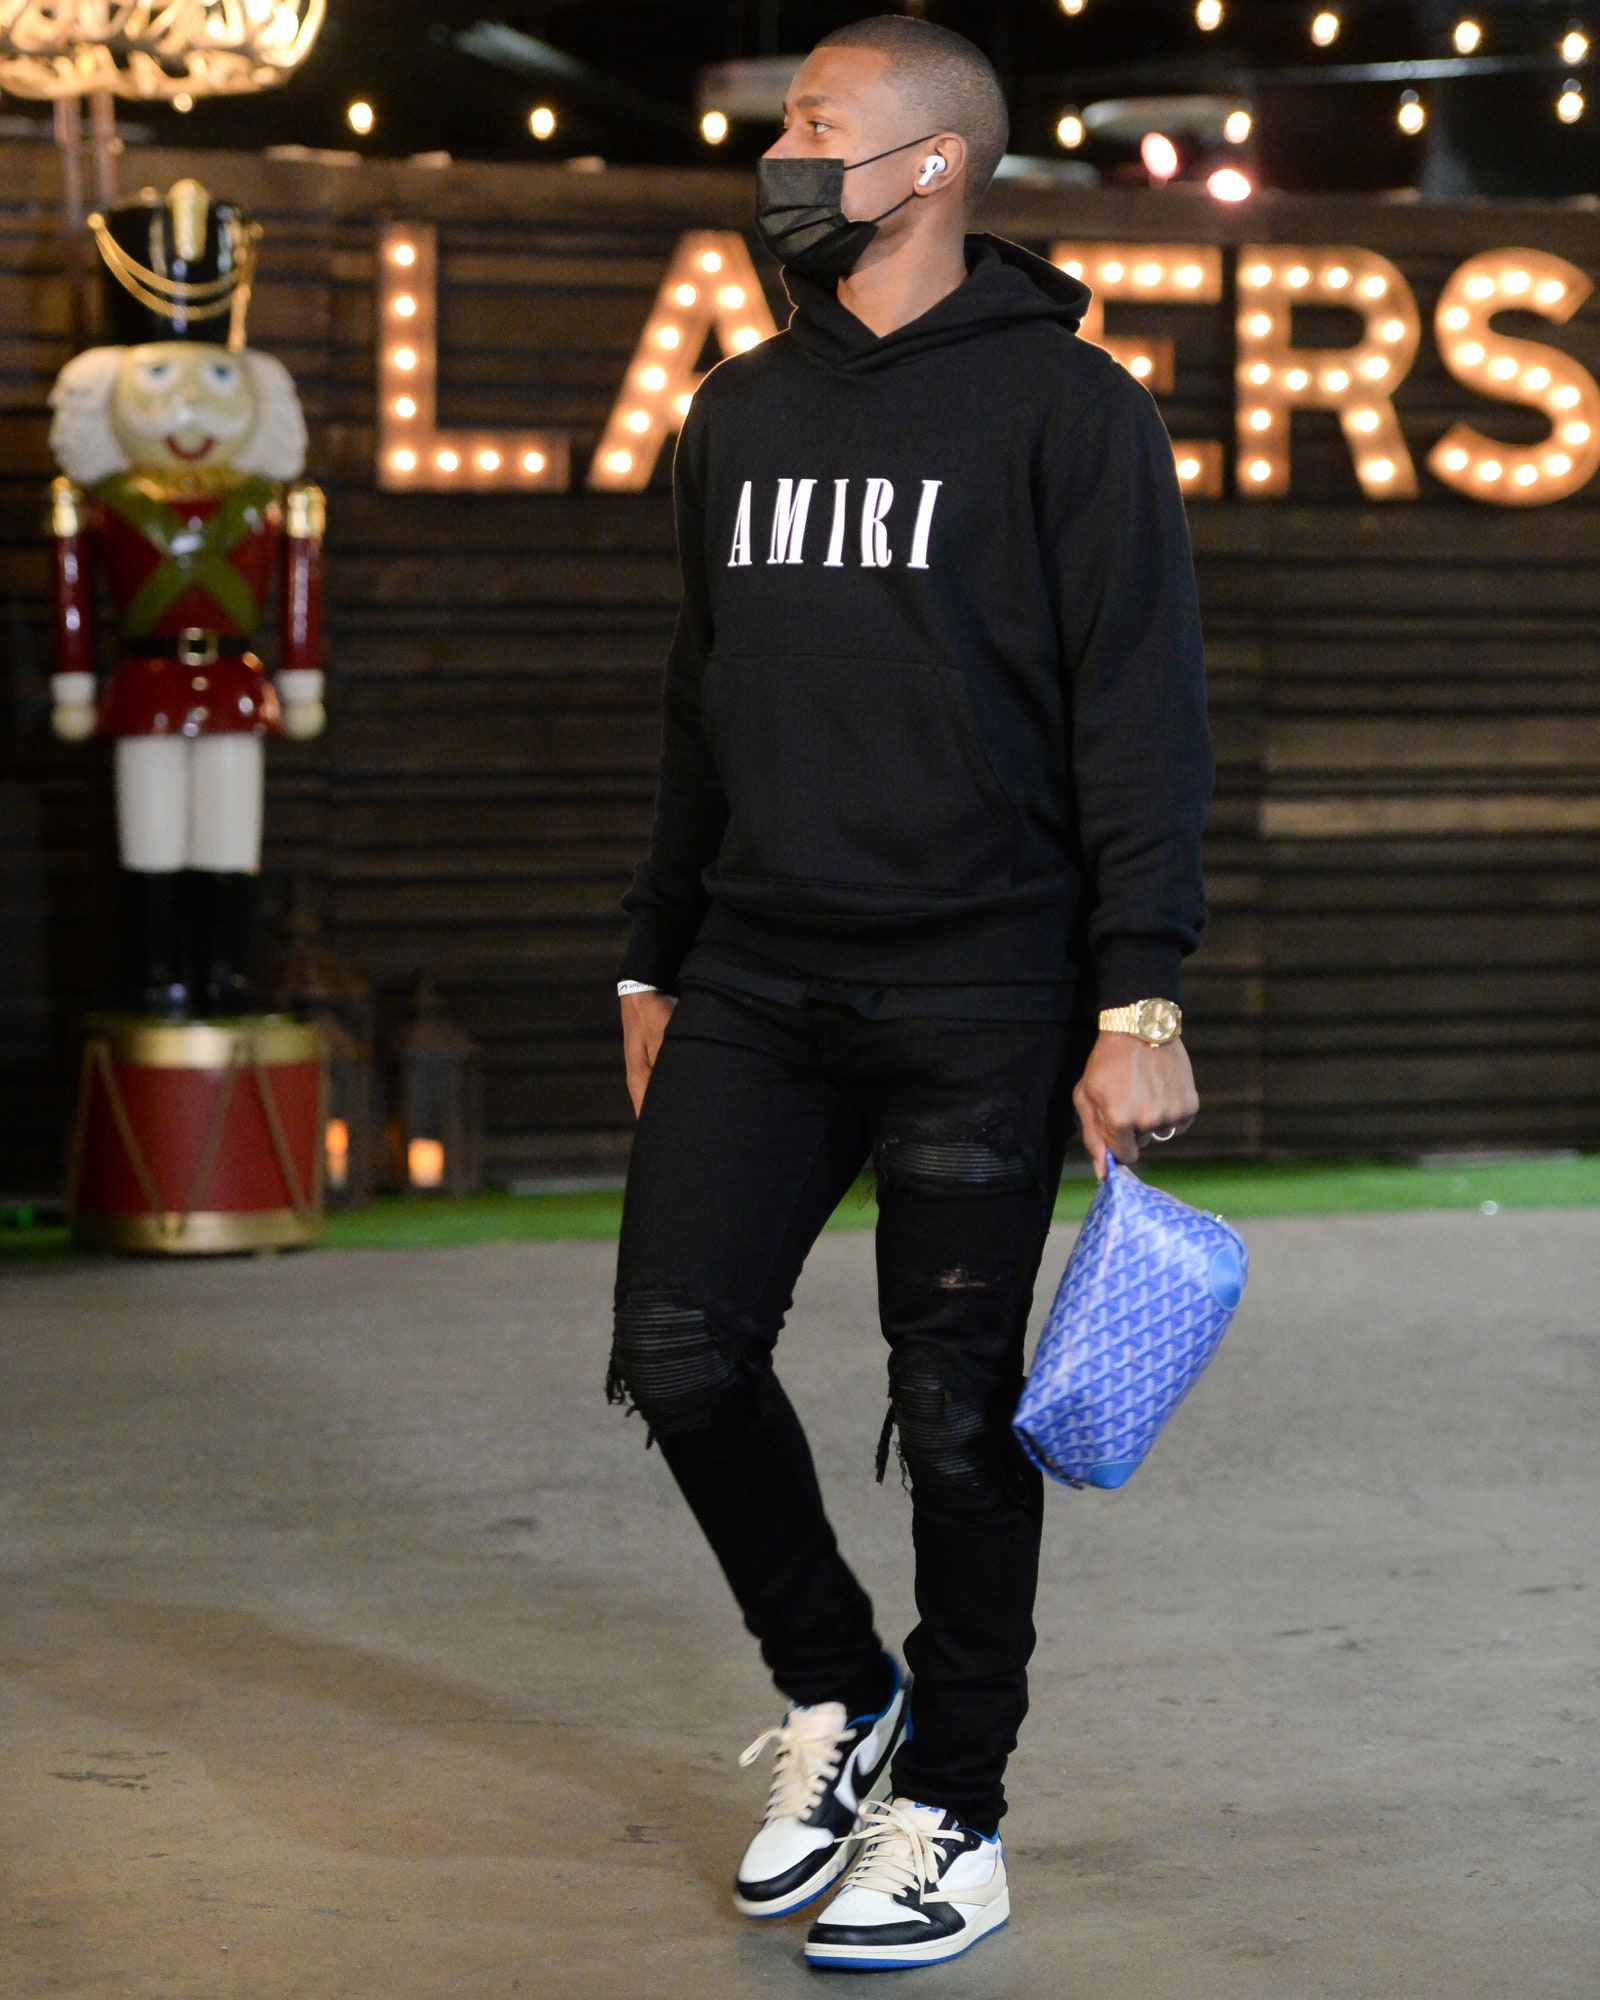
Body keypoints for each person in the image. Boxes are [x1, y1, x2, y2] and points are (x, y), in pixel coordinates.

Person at [609, 14, 1211, 1971]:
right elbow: (700, 713)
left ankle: (954, 1805)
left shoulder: (1069, 411)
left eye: (811, 124)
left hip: (983, 978)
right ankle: (838, 1688)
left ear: (931, 164)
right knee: (682, 1350)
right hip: (758, 975)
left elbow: (1139, 716)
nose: (778, 155)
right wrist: (652, 946)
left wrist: (1138, 997)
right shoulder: (737, 408)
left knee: (954, 1418)